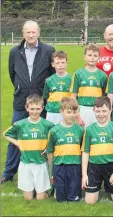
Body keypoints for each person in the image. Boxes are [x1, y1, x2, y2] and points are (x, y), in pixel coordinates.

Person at [2, 20, 55, 184]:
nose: (31, 35)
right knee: (17, 134)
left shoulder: (48, 50)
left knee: (42, 136)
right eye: (27, 32)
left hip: (41, 101)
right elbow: (12, 74)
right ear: (23, 33)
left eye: (33, 32)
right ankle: (9, 172)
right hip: (20, 100)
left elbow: (52, 75)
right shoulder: (14, 52)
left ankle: (45, 169)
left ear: (39, 32)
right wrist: (21, 88)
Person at [3, 94, 54, 200]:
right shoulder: (20, 124)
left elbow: (57, 135)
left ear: (42, 108)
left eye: (37, 109)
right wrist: (17, 143)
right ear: (27, 108)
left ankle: (44, 191)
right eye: (32, 109)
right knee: (28, 199)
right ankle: (34, 189)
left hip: (41, 163)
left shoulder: (47, 124)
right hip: (26, 164)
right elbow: (5, 134)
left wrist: (49, 147)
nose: (34, 111)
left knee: (40, 199)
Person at [81, 96, 113, 204]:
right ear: (93, 111)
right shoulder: (89, 130)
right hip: (94, 167)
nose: (101, 114)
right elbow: (85, 152)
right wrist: (84, 175)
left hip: (111, 166)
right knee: (90, 202)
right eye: (98, 111)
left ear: (110, 110)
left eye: (104, 111)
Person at [46, 97, 84, 202]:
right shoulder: (54, 131)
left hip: (75, 166)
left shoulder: (80, 130)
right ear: (61, 112)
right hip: (59, 166)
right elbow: (49, 152)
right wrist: (51, 171)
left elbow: (83, 151)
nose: (72, 115)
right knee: (60, 199)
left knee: (74, 199)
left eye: (74, 112)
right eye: (69, 112)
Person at [71, 44, 107, 127]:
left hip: (98, 109)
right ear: (84, 57)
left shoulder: (103, 75)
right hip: (82, 109)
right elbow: (73, 96)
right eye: (90, 55)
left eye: (95, 55)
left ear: (99, 58)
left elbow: (105, 97)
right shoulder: (78, 74)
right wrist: (77, 116)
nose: (92, 58)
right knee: (82, 135)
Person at [43, 51, 72, 125]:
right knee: (51, 133)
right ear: (53, 64)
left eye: (63, 62)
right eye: (58, 63)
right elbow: (46, 97)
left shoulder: (72, 79)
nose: (60, 65)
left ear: (66, 63)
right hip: (52, 113)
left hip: (67, 112)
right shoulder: (49, 80)